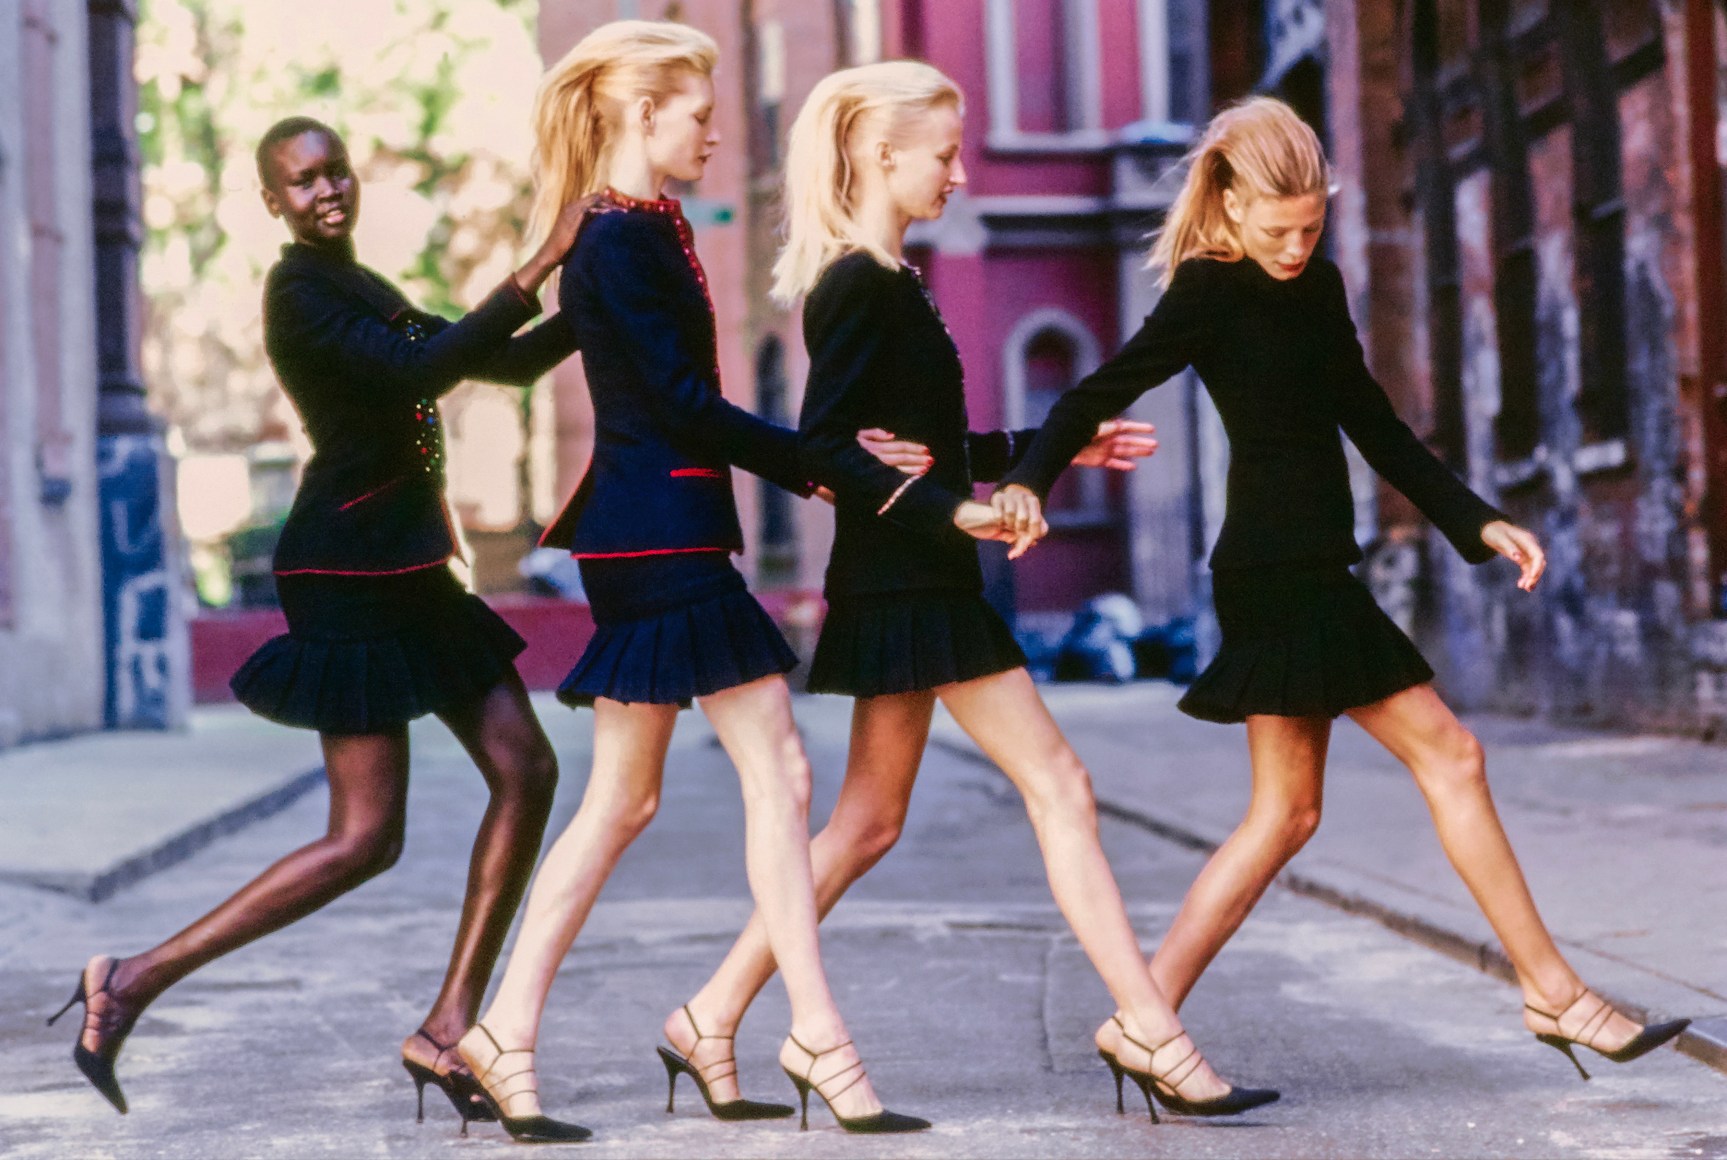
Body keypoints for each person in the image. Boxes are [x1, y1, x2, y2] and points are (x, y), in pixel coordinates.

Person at [989, 95, 1691, 1083]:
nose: (1291, 245)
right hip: (1276, 573)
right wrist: (1027, 476)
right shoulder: (1205, 288)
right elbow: (1089, 393)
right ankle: (1554, 991)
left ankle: (1141, 1017)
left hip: (1311, 562)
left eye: (1309, 227)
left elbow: (1371, 419)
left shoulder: (1314, 287)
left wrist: (1472, 520)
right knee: (1450, 751)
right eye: (1274, 229)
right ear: (1227, 207)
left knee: (1283, 815)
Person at [667, 61, 1280, 1128]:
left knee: (863, 823)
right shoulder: (855, 282)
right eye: (943, 152)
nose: (957, 171)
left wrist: (1059, 448)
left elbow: (921, 442)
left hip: (912, 570)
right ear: (880, 154)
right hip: (909, 576)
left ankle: (709, 1011)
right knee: (1058, 781)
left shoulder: (893, 280)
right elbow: (824, 449)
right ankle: (1147, 1022)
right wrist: (949, 507)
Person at [48, 116, 590, 1127]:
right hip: (347, 571)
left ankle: (448, 1023)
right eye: (302, 181)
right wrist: (540, 259)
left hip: (412, 569)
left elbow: (498, 364)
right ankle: (128, 978)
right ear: (274, 203)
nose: (326, 189)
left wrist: (599, 294)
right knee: (363, 836)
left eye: (335, 170)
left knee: (526, 767)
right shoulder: (296, 292)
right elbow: (417, 376)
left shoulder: (363, 286)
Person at [455, 22, 933, 1141]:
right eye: (697, 112)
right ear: (639, 113)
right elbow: (674, 402)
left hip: (650, 529)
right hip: (657, 528)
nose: (716, 130)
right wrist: (825, 464)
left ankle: (509, 1029)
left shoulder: (639, 230)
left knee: (624, 798)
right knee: (778, 766)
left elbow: (546, 362)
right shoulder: (618, 240)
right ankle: (808, 1025)